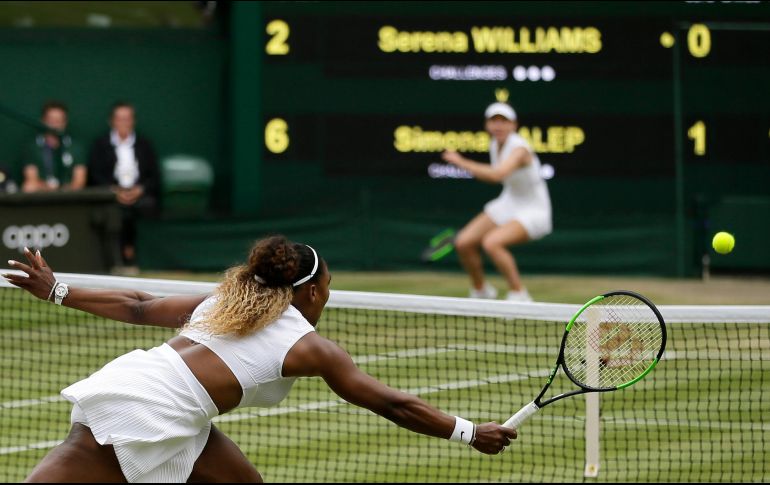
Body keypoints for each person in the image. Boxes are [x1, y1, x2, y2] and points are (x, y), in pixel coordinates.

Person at [4, 236, 516, 483]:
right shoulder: (310, 347)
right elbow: (391, 404)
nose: (329, 293)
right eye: (329, 285)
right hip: (141, 406)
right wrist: (471, 432)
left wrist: (58, 291)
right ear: (312, 291)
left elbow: (139, 306)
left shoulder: (227, 302)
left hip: (179, 414)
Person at [441, 102, 552, 302]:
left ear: (514, 125)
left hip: (535, 209)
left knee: (492, 243)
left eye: (504, 121)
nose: (498, 125)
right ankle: (481, 291)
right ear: (487, 125)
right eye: (494, 121)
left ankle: (519, 294)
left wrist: (461, 162)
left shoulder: (519, 149)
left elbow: (498, 175)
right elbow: (492, 176)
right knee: (463, 242)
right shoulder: (494, 144)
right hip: (509, 201)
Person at [87, 101, 160, 268]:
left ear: (133, 121)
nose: (123, 123)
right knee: (114, 212)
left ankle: (139, 258)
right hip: (111, 196)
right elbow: (95, 175)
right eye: (119, 119)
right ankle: (117, 259)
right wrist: (114, 191)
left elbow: (154, 177)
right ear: (112, 121)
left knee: (147, 206)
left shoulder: (144, 145)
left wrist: (139, 190)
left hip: (139, 196)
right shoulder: (100, 145)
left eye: (127, 119)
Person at [21, 101, 87, 193]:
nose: (55, 125)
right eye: (50, 120)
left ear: (65, 122)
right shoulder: (32, 146)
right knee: (28, 187)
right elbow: (31, 178)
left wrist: (65, 190)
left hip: (69, 194)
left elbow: (79, 180)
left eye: (59, 120)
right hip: (42, 192)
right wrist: (50, 189)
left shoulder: (75, 147)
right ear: (42, 121)